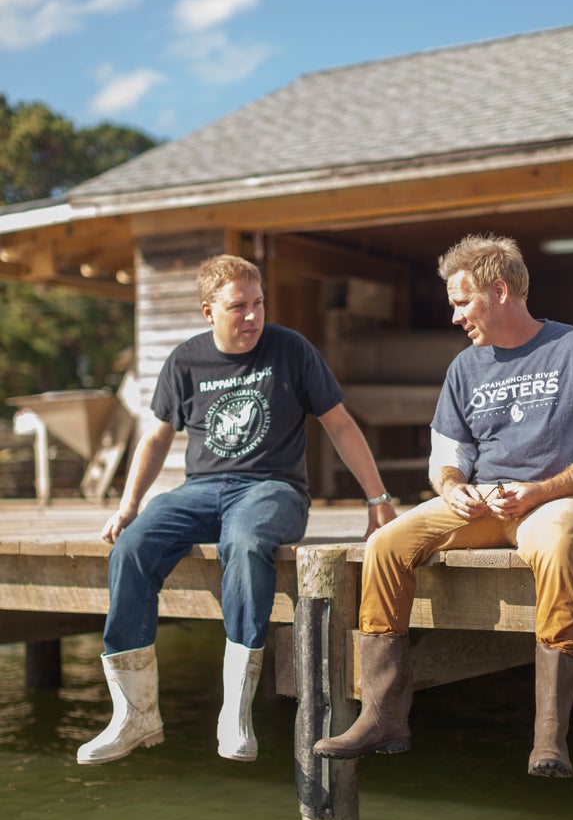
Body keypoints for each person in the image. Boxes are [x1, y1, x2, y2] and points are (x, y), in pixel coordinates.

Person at [314, 233, 573, 778]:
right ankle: (384, 715)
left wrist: (541, 490)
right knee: (385, 544)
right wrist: (451, 486)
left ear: (500, 290)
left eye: (462, 302)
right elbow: (448, 454)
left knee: (556, 548)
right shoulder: (465, 367)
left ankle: (549, 738)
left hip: (562, 500)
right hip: (483, 503)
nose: (456, 315)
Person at [77, 254, 396, 766]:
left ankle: (236, 711)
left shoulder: (291, 350)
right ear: (209, 311)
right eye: (237, 307)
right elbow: (156, 436)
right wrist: (128, 506)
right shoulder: (185, 360)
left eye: (258, 304)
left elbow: (339, 423)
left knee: (244, 543)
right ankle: (135, 716)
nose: (251, 317)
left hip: (274, 488)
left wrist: (378, 499)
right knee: (132, 548)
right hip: (200, 489)